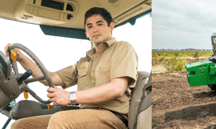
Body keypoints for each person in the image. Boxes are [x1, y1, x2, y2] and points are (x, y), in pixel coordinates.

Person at [8, 7, 138, 129]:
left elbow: (117, 88)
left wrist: (70, 96)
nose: (95, 29)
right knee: (20, 125)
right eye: (90, 26)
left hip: (112, 117)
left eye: (100, 24)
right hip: (83, 114)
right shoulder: (84, 61)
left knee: (60, 120)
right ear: (86, 33)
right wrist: (21, 58)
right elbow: (51, 78)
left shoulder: (122, 48)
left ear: (111, 26)